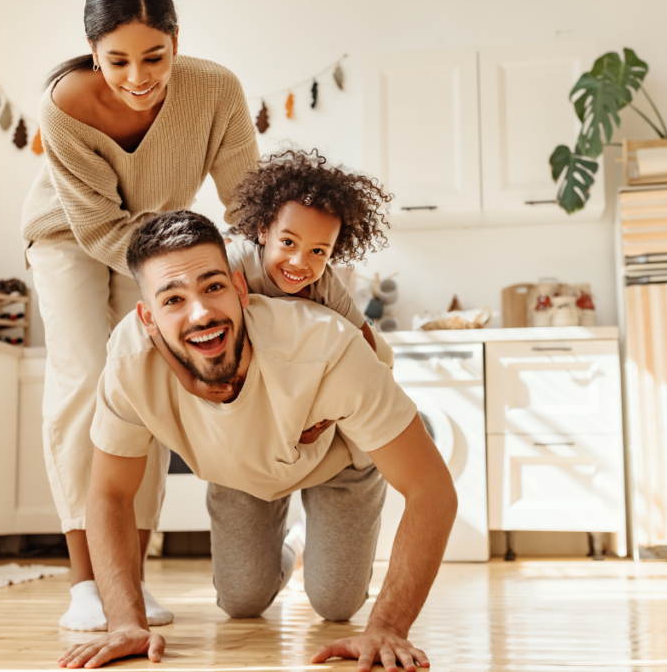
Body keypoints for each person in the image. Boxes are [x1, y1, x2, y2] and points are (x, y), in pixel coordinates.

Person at [58, 211, 458, 670]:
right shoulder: (129, 363)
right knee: (241, 600)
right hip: (238, 469)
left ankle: (314, 534)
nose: (202, 313)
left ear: (240, 288)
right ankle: (295, 545)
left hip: (334, 461)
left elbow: (433, 491)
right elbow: (109, 492)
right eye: (173, 299)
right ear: (147, 318)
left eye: (213, 287)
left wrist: (388, 625)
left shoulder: (328, 347)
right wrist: (126, 622)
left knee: (335, 603)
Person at [21, 0, 259, 631]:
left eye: (154, 57)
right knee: (81, 380)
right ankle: (85, 585)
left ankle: (131, 574)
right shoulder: (64, 104)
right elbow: (98, 229)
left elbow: (247, 204)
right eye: (117, 61)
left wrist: (267, 269)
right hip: (70, 235)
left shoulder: (216, 90)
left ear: (177, 41)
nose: (137, 78)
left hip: (157, 247)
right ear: (94, 53)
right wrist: (177, 274)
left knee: (145, 389)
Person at [152, 148, 395, 404]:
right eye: (288, 242)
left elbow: (365, 342)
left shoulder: (326, 284)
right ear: (264, 231)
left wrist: (339, 403)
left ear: (332, 252)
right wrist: (190, 383)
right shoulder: (236, 263)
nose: (300, 262)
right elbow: (160, 321)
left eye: (317, 251)